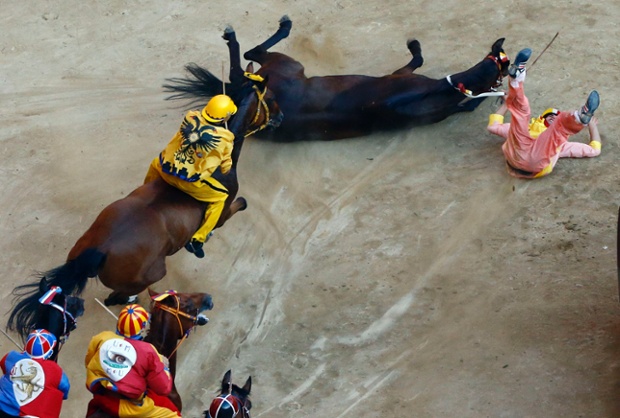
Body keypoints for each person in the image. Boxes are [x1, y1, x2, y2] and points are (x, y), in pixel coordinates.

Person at [144, 94, 238, 259]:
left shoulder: (190, 117)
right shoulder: (225, 138)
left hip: (164, 171)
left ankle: (144, 193)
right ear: (225, 118)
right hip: (188, 183)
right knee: (220, 197)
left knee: (154, 162)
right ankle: (198, 239)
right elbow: (225, 169)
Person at [487, 48, 601, 178]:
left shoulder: (560, 145)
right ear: (540, 119)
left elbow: (594, 150)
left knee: (555, 129)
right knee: (521, 112)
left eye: (555, 116)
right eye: (550, 116)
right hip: (519, 154)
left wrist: (592, 126)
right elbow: (594, 150)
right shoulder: (532, 131)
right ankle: (516, 79)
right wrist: (509, 102)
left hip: (531, 162)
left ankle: (580, 118)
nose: (553, 117)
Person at [84, 304, 180, 417]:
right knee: (174, 414)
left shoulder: (101, 337)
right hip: (129, 406)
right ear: (143, 328)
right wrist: (164, 367)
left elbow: (88, 362)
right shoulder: (148, 350)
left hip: (104, 394)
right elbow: (164, 389)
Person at [0, 329, 70, 418]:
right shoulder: (54, 369)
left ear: (25, 346)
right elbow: (65, 387)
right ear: (50, 353)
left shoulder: (10, 356)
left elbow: (4, 368)